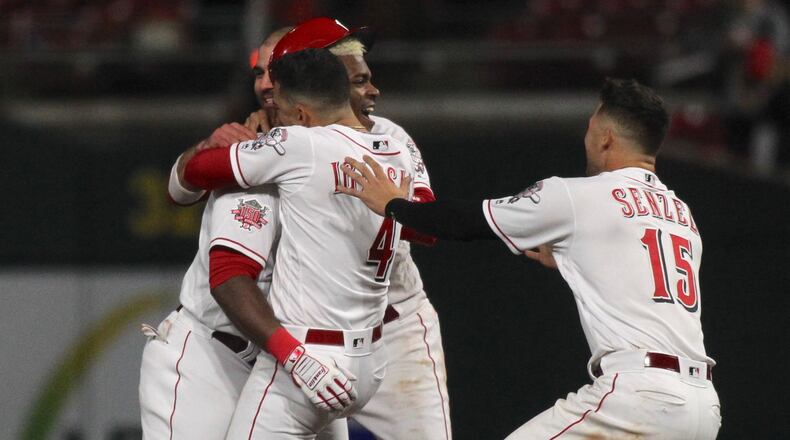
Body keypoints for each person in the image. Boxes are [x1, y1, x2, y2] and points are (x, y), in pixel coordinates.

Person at [340, 78, 722, 439]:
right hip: (703, 405)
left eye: (591, 128)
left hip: (639, 395)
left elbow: (466, 222)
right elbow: (650, 282)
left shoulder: (579, 196)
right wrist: (577, 262)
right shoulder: (680, 213)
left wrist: (392, 203)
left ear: (606, 137)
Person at [169, 17, 452, 440]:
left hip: (391, 329)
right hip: (343, 348)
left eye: (364, 78)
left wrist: (241, 149)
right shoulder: (389, 146)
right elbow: (429, 225)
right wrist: (391, 204)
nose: (371, 90)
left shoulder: (294, 145)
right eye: (358, 79)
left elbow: (194, 173)